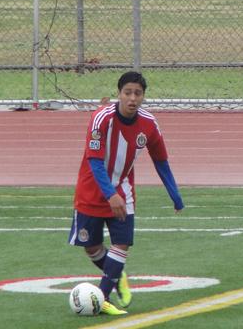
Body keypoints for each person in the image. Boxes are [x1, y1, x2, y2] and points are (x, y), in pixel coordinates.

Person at [68, 71, 184, 315]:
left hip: (124, 190)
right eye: (127, 92)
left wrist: (175, 194)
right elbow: (95, 161)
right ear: (119, 94)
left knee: (122, 243)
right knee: (91, 247)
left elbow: (161, 160)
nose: (132, 98)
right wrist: (110, 195)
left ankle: (104, 296)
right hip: (92, 190)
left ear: (143, 96)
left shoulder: (149, 124)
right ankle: (117, 274)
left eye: (138, 94)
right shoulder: (102, 119)